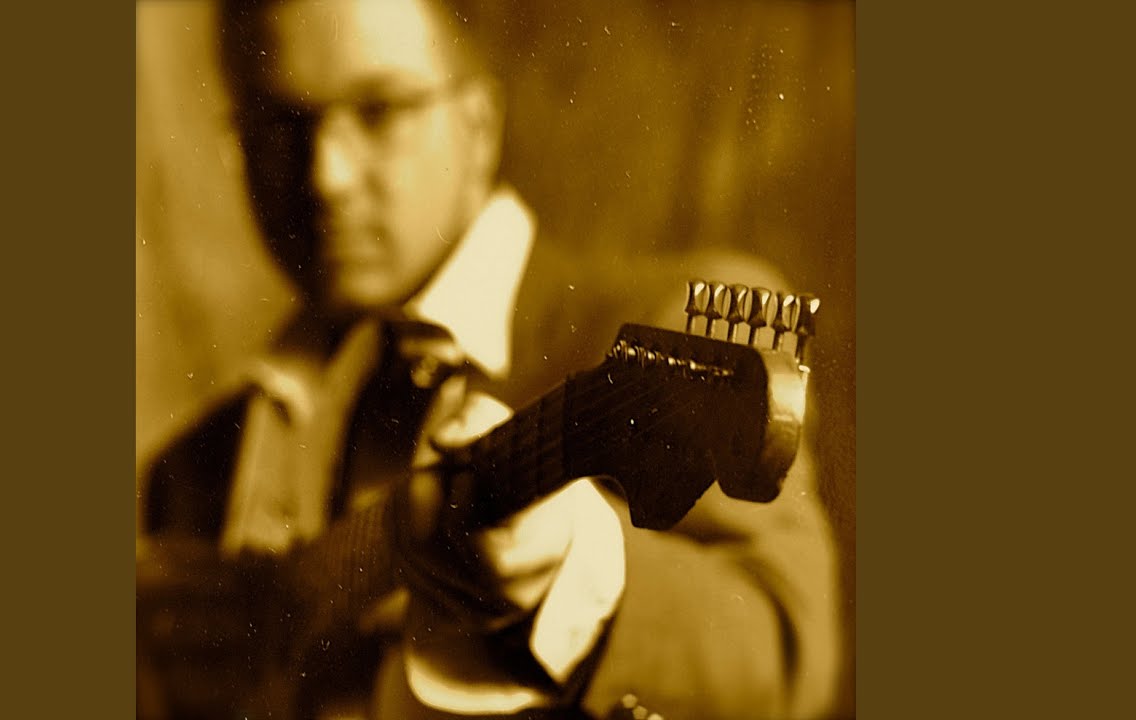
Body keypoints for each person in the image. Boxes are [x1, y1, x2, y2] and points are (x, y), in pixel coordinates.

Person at [137, 0, 842, 718]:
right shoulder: (192, 470)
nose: (327, 175)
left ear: (479, 123)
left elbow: (785, 650)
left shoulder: (658, 328)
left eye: (379, 111)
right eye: (280, 124)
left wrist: (570, 570)